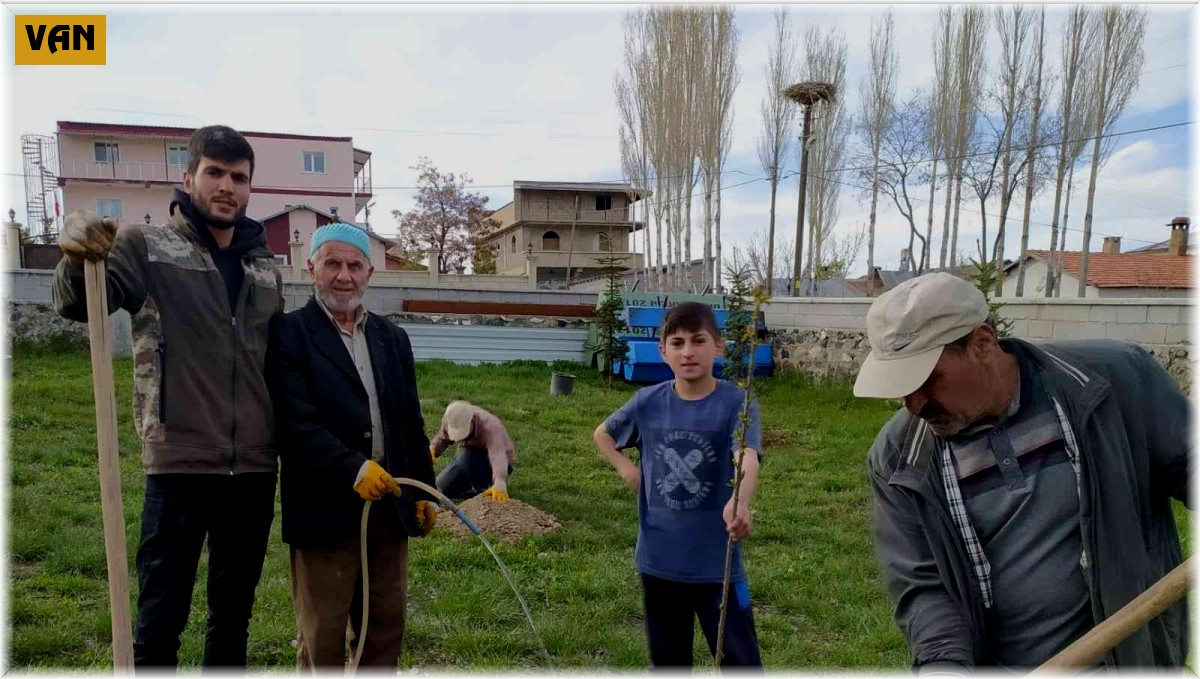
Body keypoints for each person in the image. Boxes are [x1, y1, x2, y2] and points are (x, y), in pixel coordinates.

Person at [856, 272, 1191, 672]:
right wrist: (943, 664)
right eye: (902, 385)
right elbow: (924, 586)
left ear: (982, 343)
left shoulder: (1114, 382)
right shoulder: (898, 460)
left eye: (927, 380)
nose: (914, 404)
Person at [53, 125, 283, 668]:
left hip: (253, 468)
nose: (226, 186)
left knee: (233, 617)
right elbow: (79, 303)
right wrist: (75, 257)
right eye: (214, 173)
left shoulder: (264, 266)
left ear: (249, 187)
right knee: (160, 619)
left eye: (239, 177)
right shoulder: (147, 247)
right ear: (189, 177)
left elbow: (277, 358)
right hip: (179, 460)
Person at [266, 223, 438, 669]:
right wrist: (354, 469)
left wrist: (424, 491)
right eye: (332, 264)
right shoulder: (288, 334)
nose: (344, 276)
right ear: (312, 269)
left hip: (389, 505)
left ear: (369, 273)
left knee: (384, 629)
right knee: (322, 636)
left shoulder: (391, 338)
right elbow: (294, 426)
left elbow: (410, 423)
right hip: (323, 509)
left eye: (354, 265)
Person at [593, 301, 764, 669]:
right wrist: (628, 470)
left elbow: (746, 455)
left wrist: (741, 500)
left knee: (741, 663)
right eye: (677, 342)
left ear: (719, 347)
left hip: (718, 566)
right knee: (669, 664)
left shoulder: (736, 402)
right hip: (659, 563)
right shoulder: (647, 402)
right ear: (663, 352)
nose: (688, 352)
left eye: (698, 341)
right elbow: (602, 435)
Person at [430, 400, 515, 502]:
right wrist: (432, 449)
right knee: (440, 488)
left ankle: (483, 490)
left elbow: (498, 455)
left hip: (497, 463)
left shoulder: (490, 427)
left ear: (472, 420)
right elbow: (443, 437)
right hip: (467, 462)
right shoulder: (451, 418)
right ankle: (470, 484)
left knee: (466, 456)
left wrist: (499, 481)